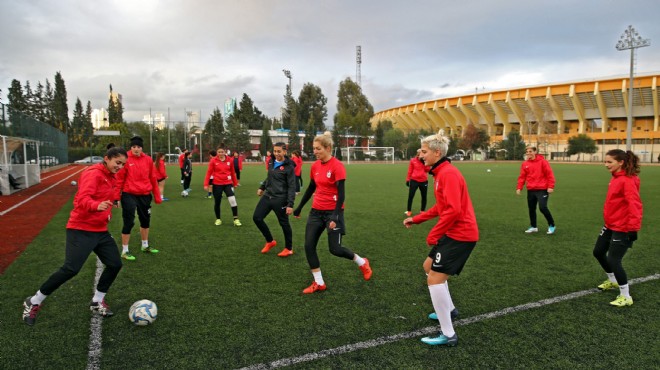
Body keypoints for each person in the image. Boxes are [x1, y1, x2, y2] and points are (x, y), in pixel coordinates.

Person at [22, 147, 128, 325]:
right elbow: (81, 200)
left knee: (115, 264)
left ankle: (97, 301)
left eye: (123, 164)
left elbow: (109, 191)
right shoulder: (93, 173)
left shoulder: (111, 175)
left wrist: (114, 201)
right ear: (106, 159)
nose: (120, 167)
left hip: (100, 230)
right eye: (117, 163)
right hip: (81, 229)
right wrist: (96, 206)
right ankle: (34, 301)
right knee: (71, 269)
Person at [403, 130, 478, 347]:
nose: (421, 155)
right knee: (428, 266)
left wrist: (434, 233)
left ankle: (448, 334)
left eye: (424, 152)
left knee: (434, 279)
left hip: (461, 235)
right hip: (453, 233)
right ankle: (450, 310)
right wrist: (417, 219)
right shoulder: (440, 173)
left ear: (437, 153)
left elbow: (453, 210)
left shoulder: (448, 174)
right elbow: (440, 207)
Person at [293, 132, 372, 294]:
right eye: (314, 148)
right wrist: (300, 206)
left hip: (332, 212)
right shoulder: (315, 166)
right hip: (316, 212)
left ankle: (361, 262)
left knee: (335, 249)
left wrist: (336, 215)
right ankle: (319, 282)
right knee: (309, 246)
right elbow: (311, 188)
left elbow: (341, 194)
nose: (315, 151)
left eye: (318, 149)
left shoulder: (337, 166)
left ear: (328, 148)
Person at [593, 149, 642, 307]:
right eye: (605, 161)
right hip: (610, 224)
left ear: (620, 162)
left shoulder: (626, 180)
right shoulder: (615, 178)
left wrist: (633, 228)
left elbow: (634, 204)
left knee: (614, 260)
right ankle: (613, 280)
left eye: (609, 162)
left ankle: (625, 296)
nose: (606, 164)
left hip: (623, 227)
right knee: (598, 252)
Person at [115, 136, 162, 261]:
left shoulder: (147, 160)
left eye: (139, 147)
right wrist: (115, 197)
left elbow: (153, 178)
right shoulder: (126, 160)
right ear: (131, 148)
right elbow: (119, 179)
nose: (136, 149)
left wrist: (157, 196)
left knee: (145, 220)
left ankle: (145, 245)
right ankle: (125, 250)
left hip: (145, 194)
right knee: (129, 221)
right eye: (134, 147)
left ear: (142, 148)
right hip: (129, 194)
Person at [254, 143, 296, 257]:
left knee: (284, 223)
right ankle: (270, 241)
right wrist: (262, 187)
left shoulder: (289, 166)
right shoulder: (271, 161)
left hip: (280, 199)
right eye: (275, 151)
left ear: (284, 152)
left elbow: (292, 186)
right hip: (268, 196)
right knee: (257, 218)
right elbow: (269, 177)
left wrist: (290, 204)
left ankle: (288, 248)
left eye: (279, 151)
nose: (276, 154)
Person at [516, 146, 556, 234]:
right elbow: (522, 177)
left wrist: (551, 186)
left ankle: (552, 225)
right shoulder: (525, 164)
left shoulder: (543, 162)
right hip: (531, 189)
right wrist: (519, 187)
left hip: (542, 189)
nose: (528, 153)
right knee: (531, 209)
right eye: (527, 152)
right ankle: (533, 226)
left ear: (535, 152)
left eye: (530, 151)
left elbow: (550, 174)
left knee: (542, 207)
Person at [204, 145, 242, 226]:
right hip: (217, 184)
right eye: (219, 152)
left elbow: (232, 172)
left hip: (228, 183)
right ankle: (218, 219)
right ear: (217, 153)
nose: (221, 153)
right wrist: (206, 184)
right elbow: (209, 173)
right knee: (217, 202)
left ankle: (236, 219)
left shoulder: (230, 160)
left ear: (225, 152)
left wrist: (235, 183)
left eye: (222, 152)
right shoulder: (213, 161)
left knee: (232, 200)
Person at [405, 149, 430, 216]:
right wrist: (407, 179)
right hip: (414, 180)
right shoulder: (413, 160)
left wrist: (424, 163)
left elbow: (427, 170)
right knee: (411, 196)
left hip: (424, 181)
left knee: (424, 196)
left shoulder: (425, 160)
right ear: (418, 154)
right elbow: (410, 170)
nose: (421, 155)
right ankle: (409, 211)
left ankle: (422, 211)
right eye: (420, 153)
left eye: (423, 154)